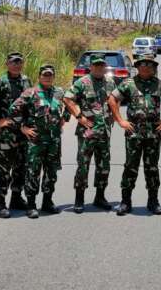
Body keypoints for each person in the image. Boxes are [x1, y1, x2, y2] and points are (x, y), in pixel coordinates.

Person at [108, 54, 161, 216]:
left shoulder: (159, 84)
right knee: (130, 166)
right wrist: (121, 121)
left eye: (149, 64)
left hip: (153, 134)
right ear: (137, 67)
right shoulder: (128, 83)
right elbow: (112, 100)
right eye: (142, 64)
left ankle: (153, 201)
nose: (145, 66)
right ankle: (125, 201)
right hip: (134, 133)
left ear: (153, 67)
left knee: (152, 168)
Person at [9, 64, 68, 218]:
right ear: (39, 76)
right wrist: (22, 128)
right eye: (45, 75)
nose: (47, 77)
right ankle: (31, 205)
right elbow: (13, 110)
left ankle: (47, 202)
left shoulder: (59, 92)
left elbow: (68, 105)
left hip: (54, 141)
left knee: (51, 172)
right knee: (33, 172)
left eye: (50, 75)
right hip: (36, 141)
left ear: (53, 76)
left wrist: (63, 118)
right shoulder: (30, 93)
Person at [63, 53, 117, 213]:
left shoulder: (110, 82)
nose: (99, 68)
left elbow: (115, 100)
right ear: (91, 67)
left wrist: (114, 116)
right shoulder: (82, 82)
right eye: (96, 65)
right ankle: (79, 199)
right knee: (83, 166)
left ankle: (100, 197)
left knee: (104, 166)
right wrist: (79, 116)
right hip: (87, 132)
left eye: (102, 65)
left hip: (104, 132)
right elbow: (67, 99)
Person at [0, 51, 31, 218]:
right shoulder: (1, 82)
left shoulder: (26, 81)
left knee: (21, 167)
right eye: (13, 62)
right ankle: (0, 202)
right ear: (7, 64)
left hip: (23, 133)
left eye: (19, 62)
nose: (16, 64)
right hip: (6, 134)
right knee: (3, 169)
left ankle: (16, 198)